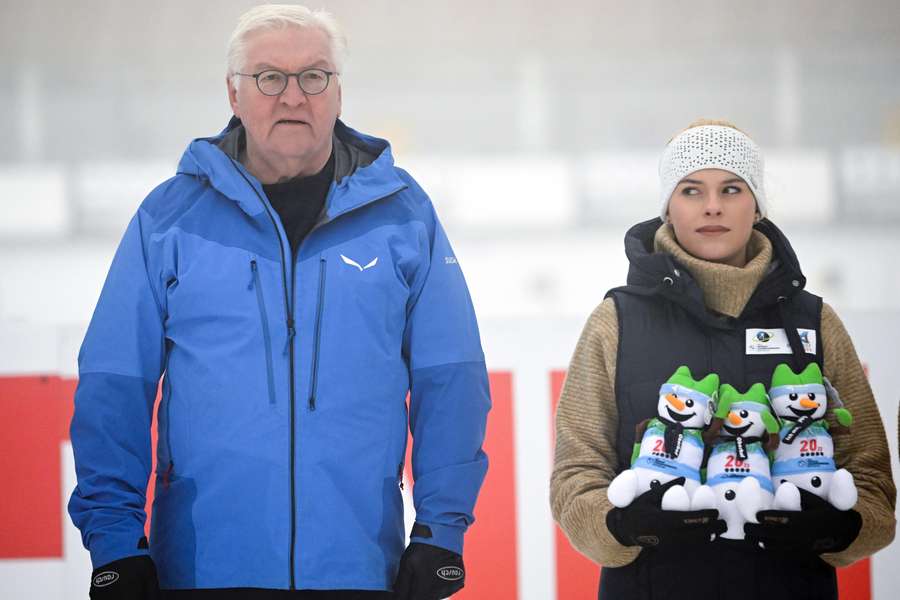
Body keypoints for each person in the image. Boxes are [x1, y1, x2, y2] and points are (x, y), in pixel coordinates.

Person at [68, 5, 490, 599]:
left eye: (314, 76)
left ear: (338, 93)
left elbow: (451, 380)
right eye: (269, 77)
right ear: (234, 94)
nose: (293, 95)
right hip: (204, 569)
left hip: (361, 567)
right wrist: (114, 542)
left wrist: (441, 530)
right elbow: (116, 384)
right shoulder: (169, 219)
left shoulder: (403, 217)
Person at [550, 119, 896, 599]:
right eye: (691, 190)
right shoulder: (616, 321)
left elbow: (872, 478)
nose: (712, 206)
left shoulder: (814, 322)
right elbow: (575, 474)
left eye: (731, 189)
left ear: (756, 207)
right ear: (667, 208)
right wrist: (623, 526)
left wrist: (838, 529)